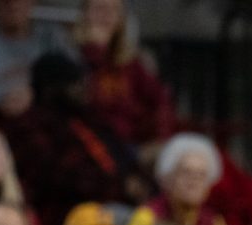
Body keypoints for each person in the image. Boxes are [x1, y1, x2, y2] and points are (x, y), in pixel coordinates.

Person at [5, 52, 145, 225]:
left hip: (118, 203)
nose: (83, 89)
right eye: (74, 84)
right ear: (52, 88)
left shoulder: (91, 119)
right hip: (69, 213)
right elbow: (60, 179)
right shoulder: (31, 127)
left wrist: (137, 179)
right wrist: (120, 186)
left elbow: (124, 157)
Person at [74, 0, 176, 146]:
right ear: (85, 14)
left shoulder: (131, 64)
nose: (106, 16)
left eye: (113, 10)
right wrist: (95, 51)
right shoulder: (71, 56)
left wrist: (159, 140)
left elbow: (160, 101)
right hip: (86, 145)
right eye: (99, 8)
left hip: (128, 146)